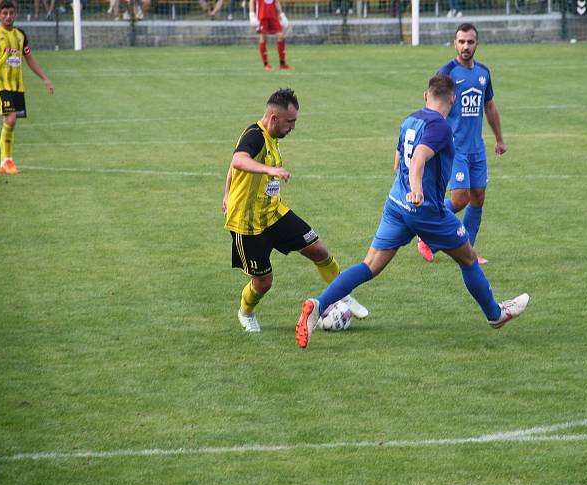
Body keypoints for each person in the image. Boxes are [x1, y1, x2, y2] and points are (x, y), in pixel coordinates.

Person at [296, 75, 529, 349]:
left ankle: (319, 303)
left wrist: (410, 186)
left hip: (396, 205)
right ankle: (495, 315)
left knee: (369, 265)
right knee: (468, 258)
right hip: (425, 209)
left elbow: (398, 164)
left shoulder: (410, 120)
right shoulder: (440, 127)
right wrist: (418, 189)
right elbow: (418, 157)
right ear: (452, 99)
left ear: (425, 96)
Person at [223, 88, 367, 333]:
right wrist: (269, 171)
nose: (293, 127)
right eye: (290, 122)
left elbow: (233, 164)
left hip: (274, 213)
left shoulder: (271, 138)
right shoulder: (255, 136)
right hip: (248, 224)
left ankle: (341, 295)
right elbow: (238, 160)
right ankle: (245, 312)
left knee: (319, 250)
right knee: (263, 282)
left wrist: (226, 192)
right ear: (273, 118)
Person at [417, 23, 506, 265]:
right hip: (454, 148)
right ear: (454, 43)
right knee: (459, 199)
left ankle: (469, 252)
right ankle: (427, 237)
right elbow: (431, 107)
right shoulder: (446, 73)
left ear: (477, 43)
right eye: (461, 42)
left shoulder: (483, 73)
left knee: (478, 197)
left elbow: (489, 107)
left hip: (477, 148)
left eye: (470, 42)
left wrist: (499, 139)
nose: (466, 46)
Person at [0, 0, 55, 175]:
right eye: (5, 13)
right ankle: (7, 161)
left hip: (17, 87)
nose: (8, 16)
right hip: (0, 85)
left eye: (11, 13)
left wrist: (45, 79)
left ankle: (4, 162)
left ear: (15, 14)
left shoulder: (20, 34)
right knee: (11, 119)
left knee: (10, 123)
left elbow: (29, 58)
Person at [249, 0, 292, 70]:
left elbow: (276, 2)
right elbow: (251, 1)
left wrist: (282, 15)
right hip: (262, 15)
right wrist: (251, 14)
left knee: (281, 36)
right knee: (263, 37)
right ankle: (266, 64)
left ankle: (282, 64)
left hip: (273, 16)